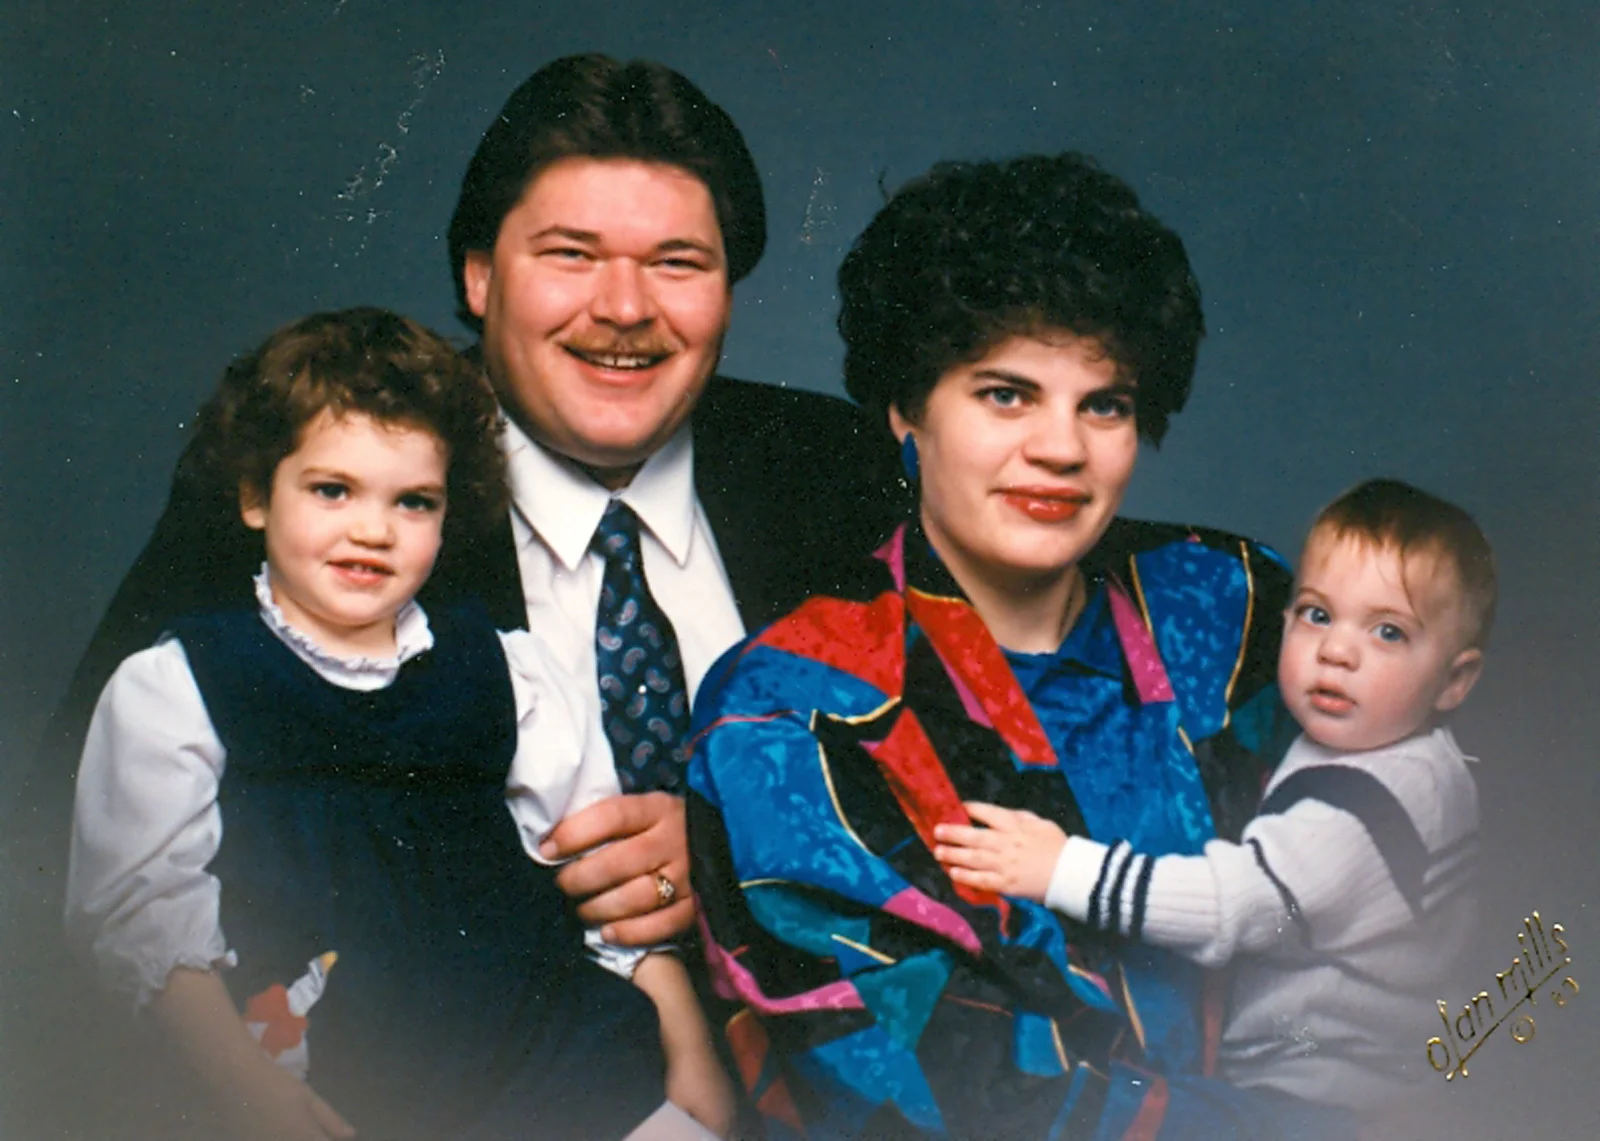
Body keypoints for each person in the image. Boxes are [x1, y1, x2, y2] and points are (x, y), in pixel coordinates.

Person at [28, 53, 900, 964]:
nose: (626, 307)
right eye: (571, 254)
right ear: (481, 278)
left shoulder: (837, 470)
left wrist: (747, 847)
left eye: (678, 262)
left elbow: (999, 767)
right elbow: (73, 844)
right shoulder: (320, 488)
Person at [687, 153, 1354, 1139]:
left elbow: (1423, 869)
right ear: (906, 409)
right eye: (1006, 393)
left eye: (1105, 403)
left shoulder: (1235, 608)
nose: (1061, 447)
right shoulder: (795, 707)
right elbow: (952, 1103)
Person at [64, 307, 733, 1140]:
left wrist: (686, 1039)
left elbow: (603, 876)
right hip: (327, 1074)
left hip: (551, 1052)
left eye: (413, 501)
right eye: (332, 489)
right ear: (253, 495)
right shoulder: (178, 685)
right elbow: (139, 918)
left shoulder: (505, 671)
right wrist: (247, 1089)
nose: (372, 530)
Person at [935, 477, 1489, 1109]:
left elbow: (1231, 906)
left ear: (1455, 680)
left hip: (1322, 1098)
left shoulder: (1366, 804)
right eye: (1317, 614)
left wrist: (1061, 868)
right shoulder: (1400, 750)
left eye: (1388, 633)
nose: (1337, 651)